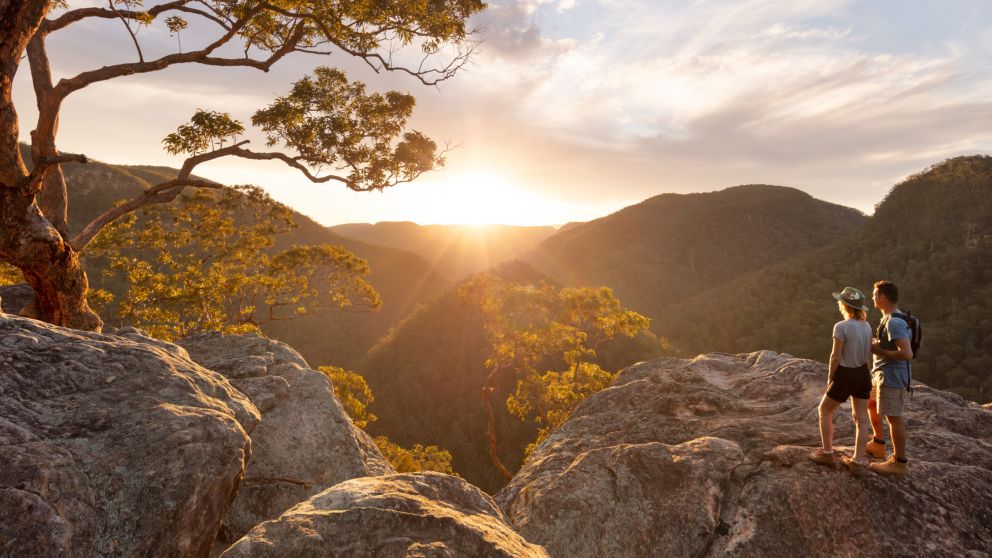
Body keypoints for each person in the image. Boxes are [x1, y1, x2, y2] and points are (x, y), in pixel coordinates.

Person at [809, 287, 873, 470]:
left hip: (845, 374)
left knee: (824, 410)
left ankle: (828, 454)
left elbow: (835, 356)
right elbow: (867, 352)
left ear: (844, 305)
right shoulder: (867, 326)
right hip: (863, 373)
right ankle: (858, 461)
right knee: (861, 419)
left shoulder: (841, 327)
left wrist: (831, 377)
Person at [866, 280, 913, 476]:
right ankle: (878, 443)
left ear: (883, 298)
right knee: (870, 404)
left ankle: (899, 462)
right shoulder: (890, 319)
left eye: (875, 294)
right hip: (881, 374)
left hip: (892, 376)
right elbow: (891, 345)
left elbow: (906, 353)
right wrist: (879, 344)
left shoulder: (894, 321)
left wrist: (878, 350)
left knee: (894, 418)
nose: (872, 298)